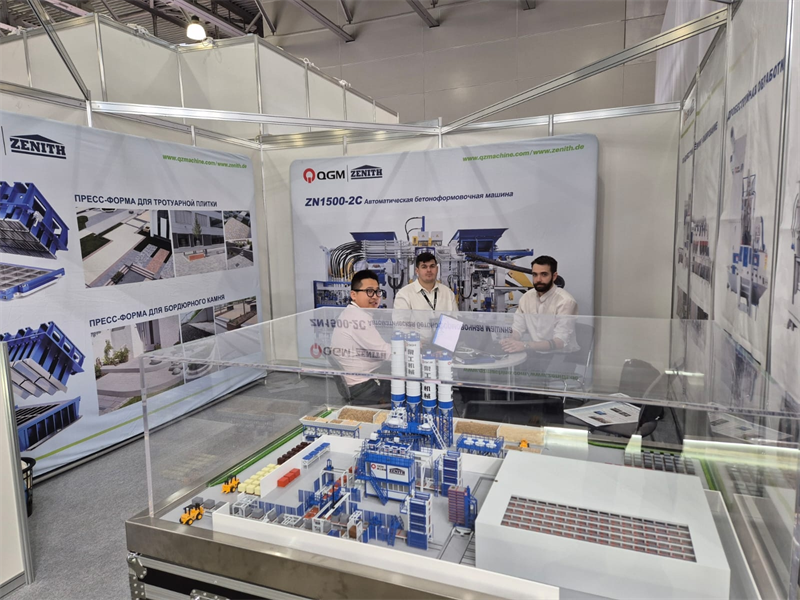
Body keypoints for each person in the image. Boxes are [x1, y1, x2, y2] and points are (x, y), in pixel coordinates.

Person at [330, 269, 392, 405]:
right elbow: (385, 353)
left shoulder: (352, 313)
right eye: (369, 291)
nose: (375, 297)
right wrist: (418, 355)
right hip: (364, 387)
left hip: (359, 381)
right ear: (353, 295)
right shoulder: (358, 318)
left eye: (377, 291)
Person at [500, 255, 578, 355]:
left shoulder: (566, 301)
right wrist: (512, 340)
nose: (538, 279)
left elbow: (560, 342)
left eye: (544, 274)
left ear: (554, 276)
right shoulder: (526, 297)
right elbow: (518, 328)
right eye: (535, 275)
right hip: (535, 353)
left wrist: (525, 345)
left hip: (562, 356)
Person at [393, 252, 458, 312]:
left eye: (432, 266)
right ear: (417, 270)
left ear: (437, 269)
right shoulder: (404, 294)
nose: (429, 270)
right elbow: (400, 320)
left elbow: (455, 319)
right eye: (424, 267)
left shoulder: (448, 293)